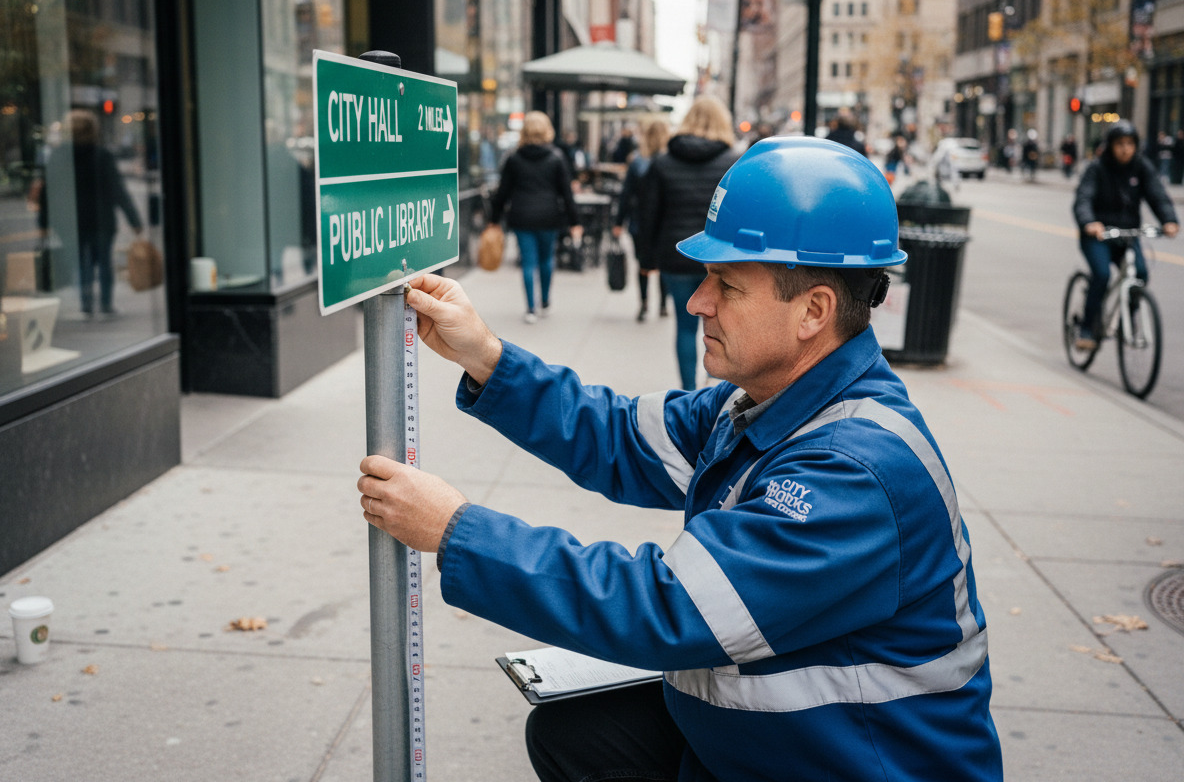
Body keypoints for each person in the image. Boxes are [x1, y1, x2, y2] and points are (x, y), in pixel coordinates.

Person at [357, 137, 1005, 782]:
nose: (698, 302)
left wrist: (455, 530)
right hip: (788, 746)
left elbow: (669, 608)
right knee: (576, 736)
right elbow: (619, 435)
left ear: (814, 311)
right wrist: (485, 356)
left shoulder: (854, 472)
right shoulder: (763, 401)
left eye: (727, 285)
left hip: (856, 764)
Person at [639, 95, 740, 390]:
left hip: (677, 256)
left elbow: (648, 215)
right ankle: (718, 390)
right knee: (725, 327)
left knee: (684, 328)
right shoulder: (734, 163)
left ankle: (688, 393)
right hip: (722, 258)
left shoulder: (662, 163)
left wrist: (647, 260)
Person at [1071, 120, 1179, 350]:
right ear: (1110, 145)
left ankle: (1126, 322)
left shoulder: (1141, 167)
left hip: (1127, 235)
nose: (1125, 149)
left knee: (1140, 274)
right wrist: (1089, 222)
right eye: (1120, 143)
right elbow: (1084, 198)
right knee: (1101, 275)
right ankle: (1087, 328)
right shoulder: (1097, 169)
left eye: (1130, 144)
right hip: (1098, 236)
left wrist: (1169, 220)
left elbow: (1158, 195)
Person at [39, 108, 143, 316]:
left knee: (79, 263)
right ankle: (106, 304)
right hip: (101, 219)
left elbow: (47, 192)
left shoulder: (58, 156)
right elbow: (117, 190)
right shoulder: (102, 155)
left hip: (70, 221)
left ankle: (85, 304)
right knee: (104, 262)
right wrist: (134, 220)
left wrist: (43, 222)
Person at [489, 111, 582, 323]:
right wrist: (575, 221)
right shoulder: (556, 157)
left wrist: (494, 219)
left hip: (522, 216)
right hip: (549, 216)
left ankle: (531, 308)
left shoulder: (513, 158)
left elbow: (502, 193)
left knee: (528, 262)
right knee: (547, 259)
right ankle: (545, 302)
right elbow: (567, 194)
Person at [611, 118, 670, 321]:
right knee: (663, 265)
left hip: (640, 222)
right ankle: (663, 304)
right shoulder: (669, 162)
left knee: (643, 264)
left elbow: (626, 195)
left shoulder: (637, 161)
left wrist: (619, 222)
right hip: (664, 222)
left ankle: (644, 303)